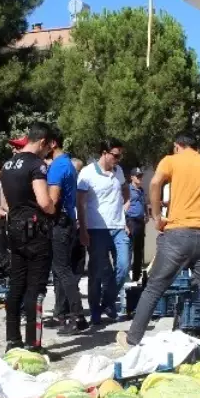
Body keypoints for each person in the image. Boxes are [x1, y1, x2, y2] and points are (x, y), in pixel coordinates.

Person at [119, 134, 200, 347]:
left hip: (177, 235)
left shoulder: (171, 161)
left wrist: (157, 216)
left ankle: (133, 339)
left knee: (154, 289)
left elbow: (156, 182)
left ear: (177, 146)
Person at [0, 123, 57, 351]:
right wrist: (54, 210)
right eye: (48, 147)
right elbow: (44, 201)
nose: (47, 152)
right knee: (35, 288)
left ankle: (12, 341)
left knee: (15, 286)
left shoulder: (7, 165)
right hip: (35, 232)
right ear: (42, 142)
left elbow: (4, 203)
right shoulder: (36, 165)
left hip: (13, 229)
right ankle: (34, 343)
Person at [77, 138, 131, 324]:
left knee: (124, 266)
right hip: (96, 228)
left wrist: (125, 209)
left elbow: (125, 191)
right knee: (97, 272)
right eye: (115, 155)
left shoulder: (119, 172)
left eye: (120, 155)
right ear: (104, 153)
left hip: (118, 227)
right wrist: (83, 230)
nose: (118, 159)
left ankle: (108, 301)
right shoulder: (87, 173)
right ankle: (95, 311)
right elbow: (80, 203)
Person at [45, 132, 88, 333]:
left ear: (53, 143)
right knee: (61, 271)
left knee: (63, 271)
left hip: (60, 224)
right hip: (67, 222)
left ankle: (77, 316)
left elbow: (52, 202)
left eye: (43, 143)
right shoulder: (67, 164)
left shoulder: (58, 166)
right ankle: (64, 314)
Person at [125, 167, 147, 283]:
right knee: (129, 249)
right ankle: (126, 276)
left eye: (141, 176)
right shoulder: (127, 190)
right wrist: (125, 224)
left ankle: (136, 276)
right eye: (137, 176)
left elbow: (144, 204)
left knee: (139, 250)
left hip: (140, 221)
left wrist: (146, 215)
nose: (140, 178)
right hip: (131, 221)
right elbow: (122, 206)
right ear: (132, 177)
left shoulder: (141, 190)